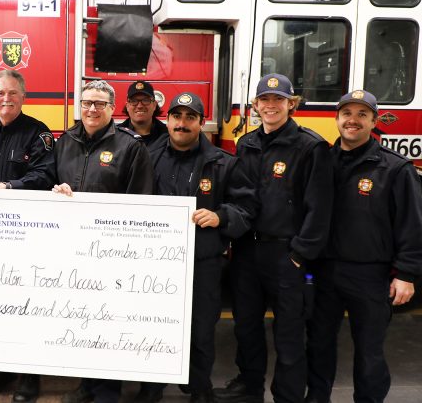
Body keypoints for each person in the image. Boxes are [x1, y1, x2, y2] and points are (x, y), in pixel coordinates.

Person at [214, 74, 333, 403]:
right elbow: (238, 197)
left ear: (291, 105)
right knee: (246, 325)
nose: (271, 105)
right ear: (255, 105)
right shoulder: (246, 144)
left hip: (286, 254)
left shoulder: (311, 147)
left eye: (278, 100)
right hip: (248, 251)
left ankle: (288, 395)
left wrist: (300, 254)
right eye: (264, 99)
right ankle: (250, 387)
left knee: (289, 333)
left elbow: (320, 208)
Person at [305, 90, 422, 403]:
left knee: (369, 353)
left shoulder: (396, 169)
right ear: (337, 118)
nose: (352, 121)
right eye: (347, 114)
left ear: (374, 120)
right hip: (325, 273)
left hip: (371, 275)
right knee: (318, 345)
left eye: (361, 115)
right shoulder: (322, 161)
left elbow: (412, 225)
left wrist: (406, 274)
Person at [141, 92, 255, 403]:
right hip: (157, 264)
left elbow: (246, 208)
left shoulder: (223, 164)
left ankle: (199, 387)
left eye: (190, 117)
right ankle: (151, 388)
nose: (182, 123)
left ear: (201, 123)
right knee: (154, 326)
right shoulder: (147, 158)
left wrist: (220, 216)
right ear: (167, 121)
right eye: (177, 117)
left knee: (201, 329)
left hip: (203, 262)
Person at [55, 80, 153, 403]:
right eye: (86, 103)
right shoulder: (64, 142)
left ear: (113, 109)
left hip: (111, 256)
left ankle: (107, 391)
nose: (92, 109)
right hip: (71, 250)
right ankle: (87, 384)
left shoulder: (131, 147)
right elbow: (48, 183)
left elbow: (141, 203)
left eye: (99, 104)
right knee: (81, 321)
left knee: (108, 325)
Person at [0, 69, 56, 402]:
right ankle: (0, 369)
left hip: (27, 237)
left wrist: (7, 187)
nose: (6, 99)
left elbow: (46, 175)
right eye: (0, 93)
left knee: (28, 305)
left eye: (12, 94)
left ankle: (29, 376)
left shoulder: (39, 134)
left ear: (23, 96)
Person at [118, 81, 167, 151]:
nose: (140, 106)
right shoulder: (116, 135)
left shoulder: (168, 135)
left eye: (146, 100)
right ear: (127, 106)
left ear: (154, 105)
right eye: (134, 101)